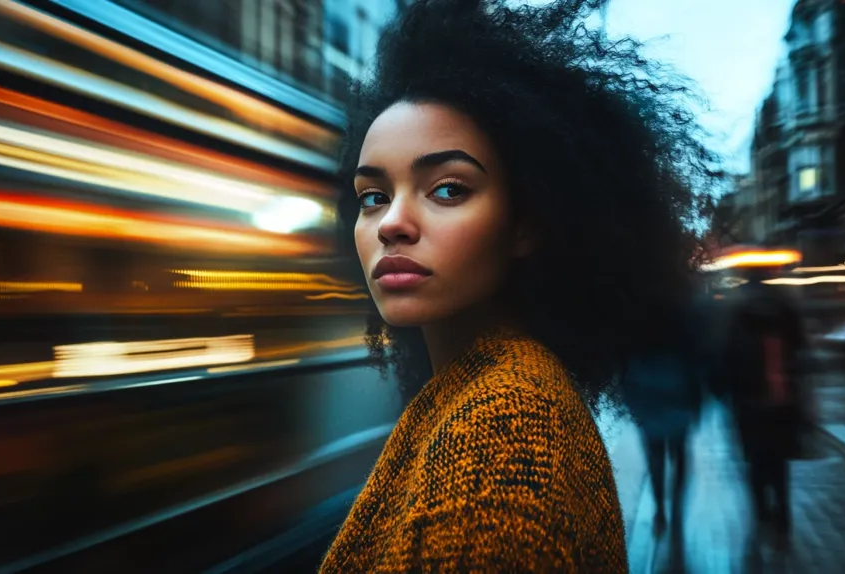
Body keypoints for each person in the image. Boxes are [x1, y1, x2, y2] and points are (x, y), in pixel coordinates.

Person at [319, 0, 718, 571]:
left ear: (526, 222)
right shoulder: (480, 392)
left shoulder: (502, 429)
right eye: (373, 196)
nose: (391, 223)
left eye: (448, 189)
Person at [723, 269, 809, 548]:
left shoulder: (739, 312)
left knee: (756, 460)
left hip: (749, 402)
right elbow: (802, 353)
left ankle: (762, 512)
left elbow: (728, 359)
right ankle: (783, 515)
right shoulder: (784, 307)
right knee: (779, 461)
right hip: (783, 401)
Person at [622, 304, 703, 540]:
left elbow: (627, 368)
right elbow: (694, 367)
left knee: (656, 458)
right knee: (679, 454)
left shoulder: (638, 331)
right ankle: (676, 506)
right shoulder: (683, 330)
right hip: (677, 400)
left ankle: (660, 507)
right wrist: (696, 401)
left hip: (650, 403)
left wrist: (631, 402)